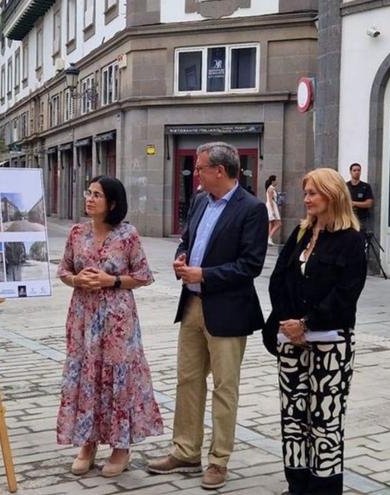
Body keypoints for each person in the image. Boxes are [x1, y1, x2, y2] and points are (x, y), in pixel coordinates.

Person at [147, 142, 268, 490]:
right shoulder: (201, 201)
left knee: (224, 388)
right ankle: (185, 450)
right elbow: (187, 239)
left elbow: (250, 266)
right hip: (192, 306)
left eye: (200, 168)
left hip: (228, 311)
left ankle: (219, 460)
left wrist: (205, 275)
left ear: (220, 170)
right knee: (187, 381)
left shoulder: (252, 209)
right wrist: (182, 259)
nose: (195, 174)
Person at [262, 168, 366, 495]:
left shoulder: (351, 240)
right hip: (291, 340)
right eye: (305, 193)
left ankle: (323, 489)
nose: (306, 199)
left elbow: (346, 293)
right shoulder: (301, 233)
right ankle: (297, 486)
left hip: (330, 343)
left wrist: (307, 323)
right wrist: (289, 322)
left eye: (313, 193)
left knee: (325, 421)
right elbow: (279, 279)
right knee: (293, 419)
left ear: (332, 195)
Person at [56, 175, 163, 478]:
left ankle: (120, 447)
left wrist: (111, 280)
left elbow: (143, 275)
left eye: (97, 195)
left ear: (112, 203)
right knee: (86, 375)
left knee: (118, 377)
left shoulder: (127, 235)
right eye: (88, 193)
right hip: (83, 315)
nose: (89, 199)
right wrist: (76, 280)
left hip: (118, 319)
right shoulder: (77, 233)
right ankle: (87, 444)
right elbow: (63, 269)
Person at [346, 163, 373, 231]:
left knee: (360, 238)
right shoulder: (345, 186)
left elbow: (369, 204)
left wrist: (353, 203)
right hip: (348, 218)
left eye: (358, 170)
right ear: (350, 172)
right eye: (354, 170)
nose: (357, 172)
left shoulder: (366, 186)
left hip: (362, 219)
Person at [265, 174, 282, 245]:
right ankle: (269, 237)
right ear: (273, 181)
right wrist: (272, 210)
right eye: (276, 180)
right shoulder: (271, 188)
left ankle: (269, 238)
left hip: (271, 205)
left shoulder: (271, 188)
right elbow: (270, 199)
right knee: (278, 223)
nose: (277, 181)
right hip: (271, 205)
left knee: (271, 223)